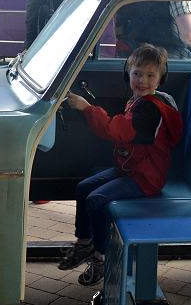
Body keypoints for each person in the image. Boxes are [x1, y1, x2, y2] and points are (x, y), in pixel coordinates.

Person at [59, 44, 183, 286]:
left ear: (160, 79)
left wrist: (87, 108)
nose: (142, 81)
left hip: (145, 178)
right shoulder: (138, 100)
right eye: (137, 74)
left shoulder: (150, 109)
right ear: (128, 74)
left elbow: (115, 130)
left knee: (96, 199)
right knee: (84, 187)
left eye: (150, 76)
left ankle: (101, 257)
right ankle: (84, 243)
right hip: (131, 168)